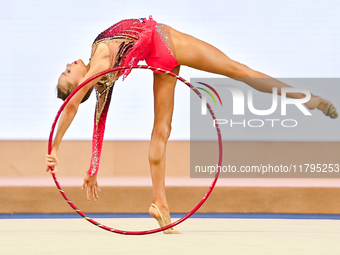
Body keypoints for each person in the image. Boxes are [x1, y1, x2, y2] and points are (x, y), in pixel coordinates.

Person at [46, 16, 338, 234]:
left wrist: (93, 168)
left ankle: (159, 201)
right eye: (67, 73)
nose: (68, 65)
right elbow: (72, 104)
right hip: (165, 43)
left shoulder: (102, 79)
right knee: (239, 70)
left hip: (158, 58)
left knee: (162, 130)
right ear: (78, 85)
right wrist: (55, 147)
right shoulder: (98, 63)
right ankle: (306, 98)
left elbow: (99, 123)